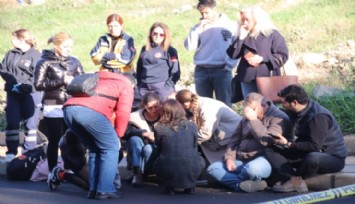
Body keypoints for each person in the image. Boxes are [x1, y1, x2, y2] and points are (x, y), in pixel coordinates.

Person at [63, 70, 134, 200]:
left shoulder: (99, 78)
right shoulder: (126, 85)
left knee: (95, 149)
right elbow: (123, 113)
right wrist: (118, 135)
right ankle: (105, 190)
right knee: (111, 148)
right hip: (91, 113)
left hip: (69, 110)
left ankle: (94, 189)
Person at [265, 84, 348, 193]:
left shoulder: (318, 117)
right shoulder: (298, 110)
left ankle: (295, 180)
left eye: (284, 102)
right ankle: (292, 178)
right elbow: (279, 111)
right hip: (306, 152)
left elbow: (314, 146)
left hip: (332, 158)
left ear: (294, 103)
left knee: (312, 158)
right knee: (271, 149)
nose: (283, 105)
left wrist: (289, 144)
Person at [207, 93, 293, 193]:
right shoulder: (246, 118)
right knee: (213, 169)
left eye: (252, 109)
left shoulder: (279, 118)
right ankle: (242, 185)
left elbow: (267, 141)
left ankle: (237, 181)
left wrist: (253, 120)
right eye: (246, 109)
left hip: (264, 159)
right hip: (242, 158)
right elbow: (234, 140)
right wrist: (229, 158)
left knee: (251, 170)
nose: (248, 113)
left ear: (263, 106)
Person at [34, 32, 84, 175]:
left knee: (72, 137)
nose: (69, 49)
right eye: (65, 46)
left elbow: (82, 80)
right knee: (55, 139)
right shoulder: (44, 61)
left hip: (71, 103)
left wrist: (75, 83)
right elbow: (38, 84)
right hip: (53, 103)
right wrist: (62, 81)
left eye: (70, 47)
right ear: (56, 45)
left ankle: (70, 168)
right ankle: (52, 170)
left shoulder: (74, 61)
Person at [226, 5, 289, 99]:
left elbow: (283, 55)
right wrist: (241, 38)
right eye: (242, 20)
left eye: (247, 20)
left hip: (267, 77)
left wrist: (263, 59)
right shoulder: (243, 35)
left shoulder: (272, 34)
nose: (244, 23)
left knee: (268, 107)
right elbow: (233, 55)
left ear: (257, 19)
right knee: (251, 106)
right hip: (247, 78)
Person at [184, 0, 238, 107]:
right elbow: (189, 46)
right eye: (201, 13)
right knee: (203, 106)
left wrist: (229, 66)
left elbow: (237, 47)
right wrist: (196, 29)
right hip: (202, 70)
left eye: (206, 12)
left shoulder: (230, 25)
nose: (204, 16)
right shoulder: (198, 26)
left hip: (222, 70)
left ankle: (224, 125)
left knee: (225, 106)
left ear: (214, 9)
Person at [0, 29, 42, 162]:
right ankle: (11, 152)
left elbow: (37, 77)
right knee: (12, 122)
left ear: (22, 39)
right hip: (13, 93)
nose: (11, 41)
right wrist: (12, 82)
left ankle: (28, 151)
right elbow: (3, 69)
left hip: (30, 93)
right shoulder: (10, 54)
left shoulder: (36, 55)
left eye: (14, 38)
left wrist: (24, 86)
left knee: (31, 124)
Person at [175, 89, 242, 165]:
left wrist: (184, 142)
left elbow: (205, 134)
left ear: (185, 104)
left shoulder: (207, 108)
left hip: (233, 141)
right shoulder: (196, 105)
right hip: (220, 140)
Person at [154, 99, 205, 195]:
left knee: (160, 159)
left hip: (168, 165)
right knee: (199, 159)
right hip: (191, 164)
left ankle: (170, 186)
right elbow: (194, 146)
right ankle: (190, 185)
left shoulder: (159, 127)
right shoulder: (192, 125)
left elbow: (159, 148)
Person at [123, 92, 161, 187]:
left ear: (159, 103)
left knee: (148, 149)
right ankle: (137, 172)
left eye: (156, 107)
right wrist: (144, 133)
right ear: (144, 106)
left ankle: (144, 173)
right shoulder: (135, 116)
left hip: (156, 146)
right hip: (140, 143)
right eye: (150, 108)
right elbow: (124, 132)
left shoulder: (164, 115)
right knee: (134, 139)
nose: (153, 110)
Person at [136, 22, 180, 101]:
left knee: (166, 111)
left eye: (161, 34)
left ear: (165, 36)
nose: (157, 36)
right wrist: (139, 83)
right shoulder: (144, 48)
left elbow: (175, 71)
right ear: (151, 34)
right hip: (144, 87)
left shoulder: (170, 50)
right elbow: (139, 67)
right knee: (147, 111)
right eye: (155, 33)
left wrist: (167, 86)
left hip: (161, 86)